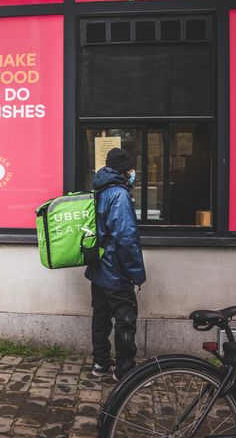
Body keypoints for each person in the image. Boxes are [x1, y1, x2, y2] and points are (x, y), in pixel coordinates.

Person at [85, 147, 146, 381]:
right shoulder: (119, 195)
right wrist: (137, 274)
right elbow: (126, 238)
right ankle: (125, 371)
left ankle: (100, 364)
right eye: (131, 169)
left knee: (101, 317)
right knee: (125, 320)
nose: (133, 173)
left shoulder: (99, 190)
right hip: (115, 271)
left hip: (98, 267)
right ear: (124, 170)